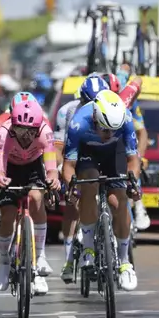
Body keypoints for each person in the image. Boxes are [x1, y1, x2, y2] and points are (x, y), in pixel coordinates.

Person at [62, 90, 141, 291]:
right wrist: (72, 187)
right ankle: (88, 248)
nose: (109, 135)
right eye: (105, 130)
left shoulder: (126, 120)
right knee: (88, 184)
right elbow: (69, 165)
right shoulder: (79, 123)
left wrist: (133, 183)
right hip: (88, 153)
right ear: (95, 119)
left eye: (113, 130)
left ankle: (125, 263)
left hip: (115, 154)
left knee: (119, 201)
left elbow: (133, 161)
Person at [0, 100, 61, 295]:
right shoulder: (3, 132)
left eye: (30, 131)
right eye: (21, 130)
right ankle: (4, 259)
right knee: (8, 215)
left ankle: (39, 256)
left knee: (36, 198)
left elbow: (51, 167)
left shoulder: (45, 132)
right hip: (10, 169)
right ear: (13, 124)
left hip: (32, 167)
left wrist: (53, 179)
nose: (25, 136)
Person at [53, 74, 109, 283]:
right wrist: (61, 168)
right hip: (76, 152)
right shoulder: (67, 112)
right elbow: (59, 147)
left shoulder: (110, 108)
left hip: (103, 150)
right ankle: (68, 259)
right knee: (73, 202)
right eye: (88, 102)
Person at [108, 70, 150, 231]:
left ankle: (139, 206)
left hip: (125, 138)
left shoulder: (129, 102)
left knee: (133, 165)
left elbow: (142, 132)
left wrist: (140, 155)